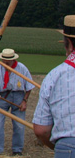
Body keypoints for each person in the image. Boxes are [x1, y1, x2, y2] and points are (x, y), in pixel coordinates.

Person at [33, 15, 75, 156]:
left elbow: (41, 130)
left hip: (68, 147)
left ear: (68, 42)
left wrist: (57, 146)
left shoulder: (55, 75)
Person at [0, 48, 35, 156]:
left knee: (19, 125)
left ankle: (17, 150)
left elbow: (29, 86)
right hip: (2, 96)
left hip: (18, 96)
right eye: (4, 61)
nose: (5, 63)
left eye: (8, 61)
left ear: (13, 60)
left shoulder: (22, 68)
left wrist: (24, 101)